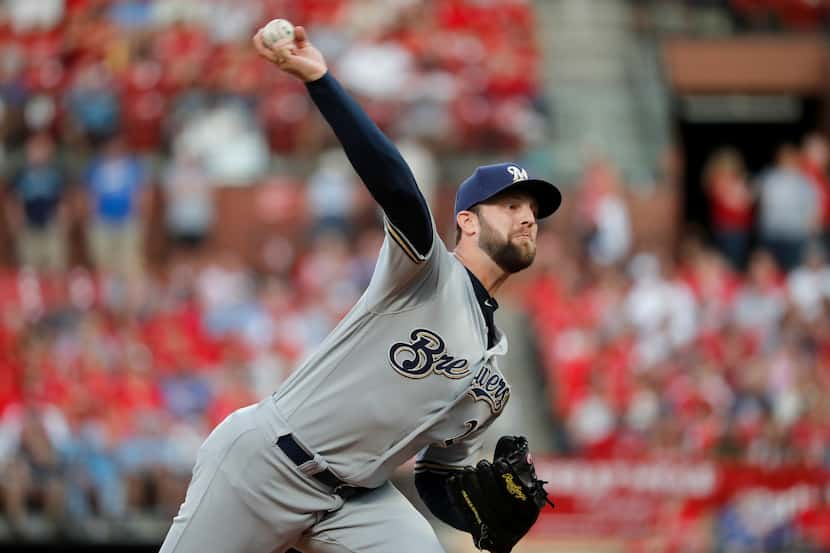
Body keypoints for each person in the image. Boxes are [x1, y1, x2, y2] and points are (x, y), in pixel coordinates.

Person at [159, 23, 561, 553]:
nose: (527, 218)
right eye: (511, 206)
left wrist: (481, 518)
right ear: (465, 221)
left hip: (355, 501)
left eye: (532, 211)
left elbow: (437, 477)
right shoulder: (426, 273)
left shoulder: (494, 373)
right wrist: (322, 81)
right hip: (268, 463)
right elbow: (397, 188)